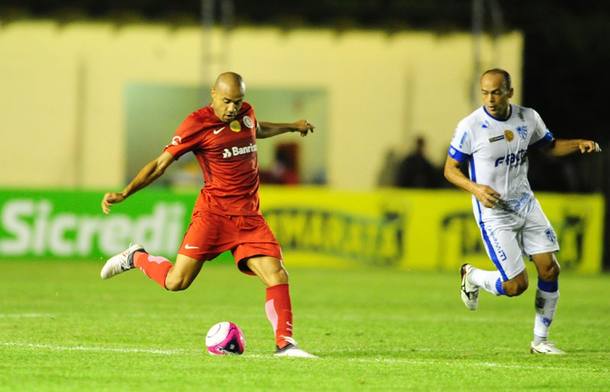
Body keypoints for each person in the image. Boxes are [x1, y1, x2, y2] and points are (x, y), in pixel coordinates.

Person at [100, 72, 317, 358]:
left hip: (249, 217)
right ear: (213, 93)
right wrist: (126, 192)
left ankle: (285, 344)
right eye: (227, 101)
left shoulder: (246, 113)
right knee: (176, 282)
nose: (232, 108)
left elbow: (255, 129)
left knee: (277, 274)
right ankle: (136, 257)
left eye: (237, 102)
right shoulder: (196, 124)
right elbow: (160, 164)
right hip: (213, 215)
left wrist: (291, 126)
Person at [444, 68, 601, 355]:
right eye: (485, 93)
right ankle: (473, 276)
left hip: (526, 204)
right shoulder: (470, 126)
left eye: (496, 92)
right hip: (495, 214)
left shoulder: (528, 117)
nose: (490, 99)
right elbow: (450, 170)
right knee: (516, 285)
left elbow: (550, 147)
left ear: (509, 92)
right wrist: (476, 188)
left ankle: (540, 341)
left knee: (550, 268)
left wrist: (577, 144)